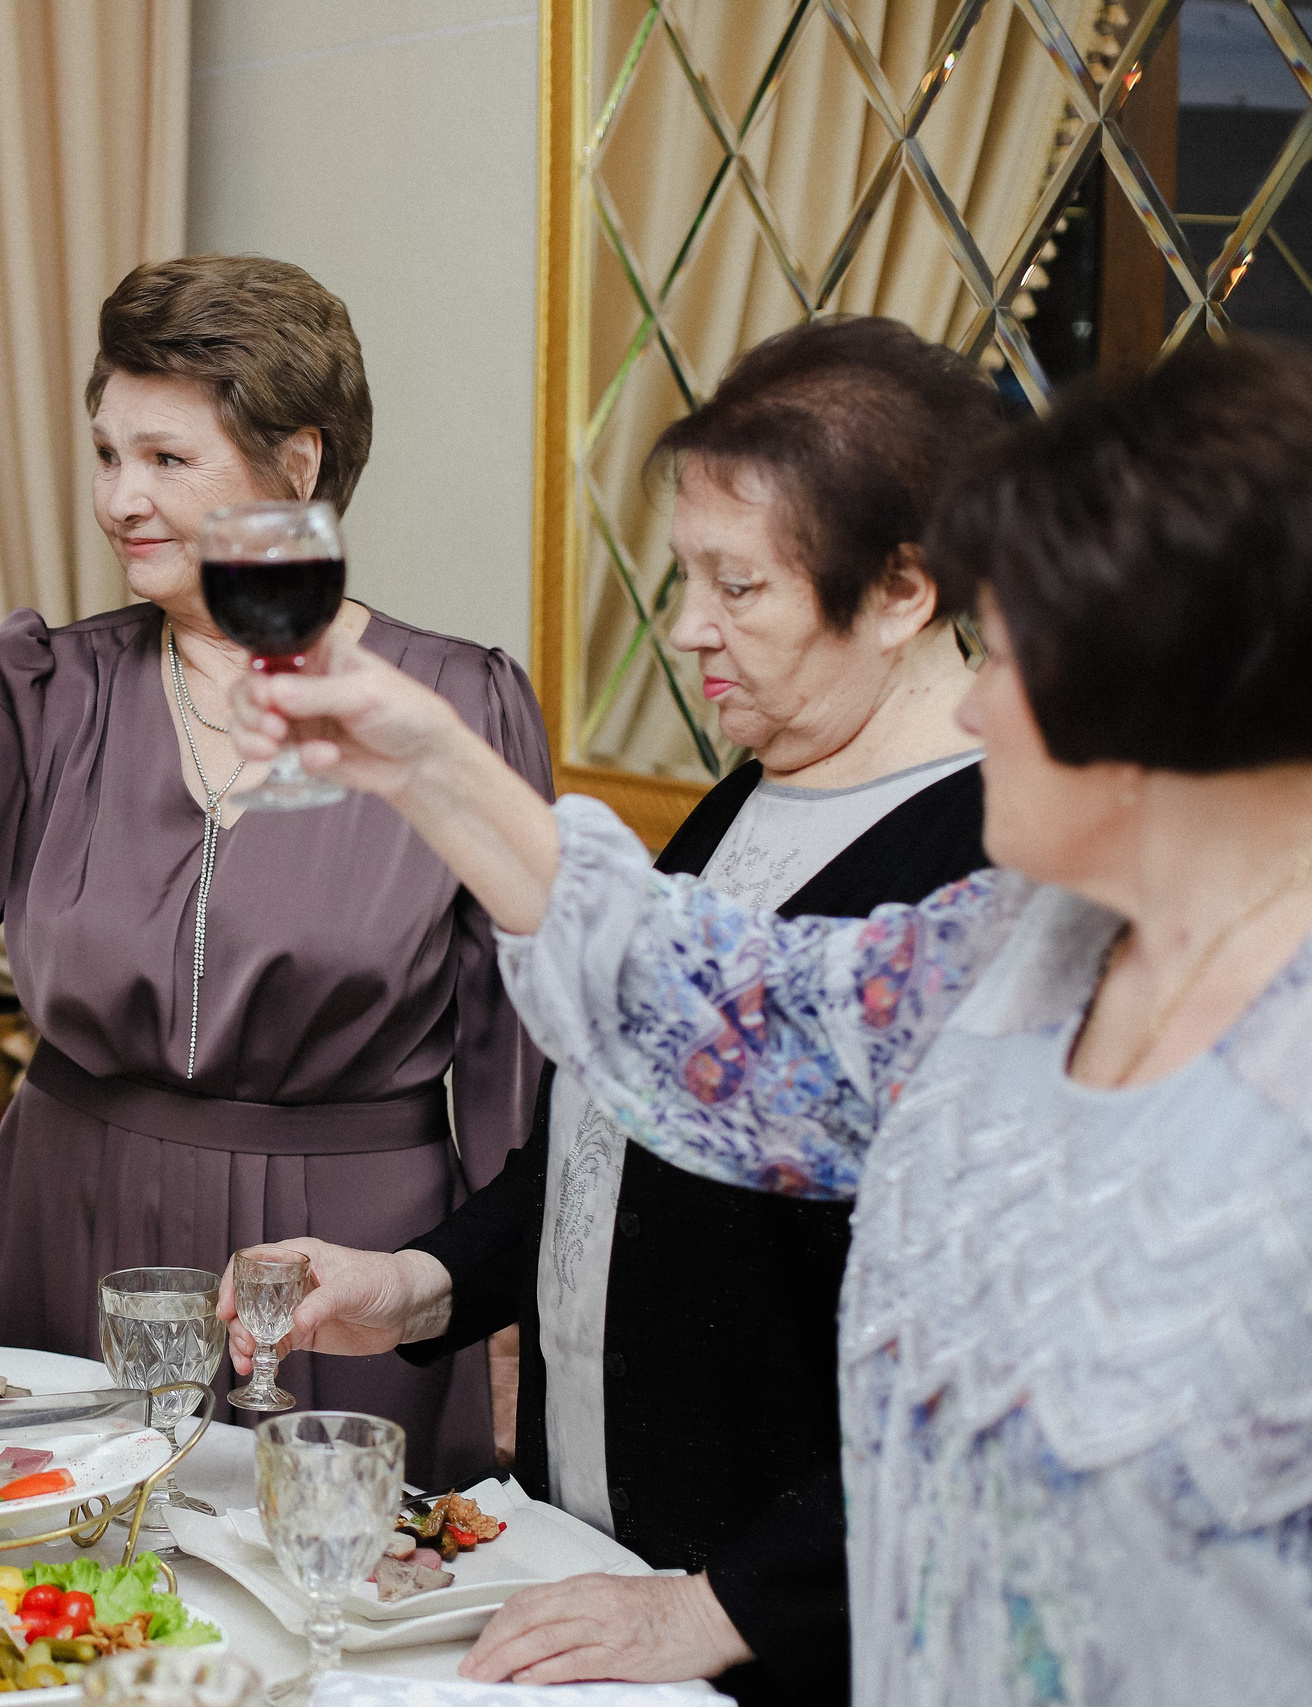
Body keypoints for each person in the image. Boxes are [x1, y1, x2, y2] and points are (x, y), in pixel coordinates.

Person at [222, 335, 1312, 1704]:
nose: (975, 694)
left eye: (1020, 653)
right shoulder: (1021, 943)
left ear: (1171, 695)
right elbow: (728, 1018)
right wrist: (429, 759)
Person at [0, 255, 551, 1478]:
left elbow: (520, 1053)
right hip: (70, 1220)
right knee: (52, 1603)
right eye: (108, 455)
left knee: (328, 1603)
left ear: (300, 467)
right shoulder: (55, 690)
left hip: (336, 1265)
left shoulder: (452, 705)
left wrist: (497, 1307)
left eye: (167, 460)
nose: (121, 498)